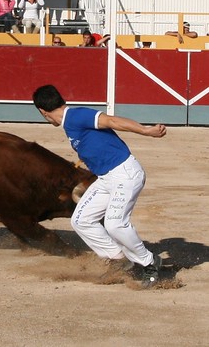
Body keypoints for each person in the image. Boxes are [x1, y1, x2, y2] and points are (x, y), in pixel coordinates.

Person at [32, 84, 166, 288]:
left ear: (43, 112)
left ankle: (149, 262)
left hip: (125, 174)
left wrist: (145, 130)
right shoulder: (70, 123)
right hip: (106, 178)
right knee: (81, 220)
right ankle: (119, 259)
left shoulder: (75, 117)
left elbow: (112, 120)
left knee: (115, 223)